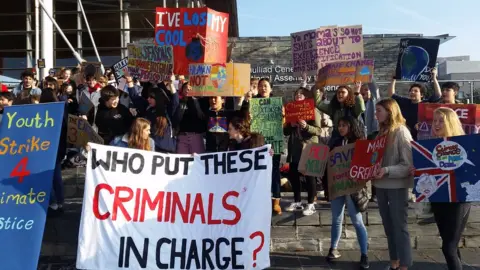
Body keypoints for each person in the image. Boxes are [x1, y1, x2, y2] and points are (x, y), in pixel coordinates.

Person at [412, 107, 470, 270]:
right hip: (439, 199)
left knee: (448, 248)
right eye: (434, 120)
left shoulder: (464, 144)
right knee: (451, 245)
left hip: (459, 200)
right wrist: (416, 170)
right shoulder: (428, 146)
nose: (436, 124)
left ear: (450, 122)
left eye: (441, 120)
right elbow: (427, 175)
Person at [372, 98, 413, 270]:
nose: (376, 114)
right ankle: (394, 261)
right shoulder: (380, 132)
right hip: (380, 186)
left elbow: (407, 164)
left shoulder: (401, 132)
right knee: (388, 227)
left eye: (379, 110)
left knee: (399, 226)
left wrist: (387, 170)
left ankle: (405, 264)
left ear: (390, 111)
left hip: (397, 186)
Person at [326, 115, 369, 269]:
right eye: (339, 125)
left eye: (344, 125)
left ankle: (364, 254)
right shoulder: (335, 142)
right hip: (338, 186)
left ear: (351, 126)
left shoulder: (359, 143)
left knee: (357, 221)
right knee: (336, 219)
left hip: (353, 188)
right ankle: (333, 248)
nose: (341, 128)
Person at [283, 87, 323, 216]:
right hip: (295, 148)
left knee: (310, 176)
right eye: (296, 94)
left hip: (309, 147)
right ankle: (297, 201)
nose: (298, 96)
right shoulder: (291, 111)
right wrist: (290, 125)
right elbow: (285, 132)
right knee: (294, 175)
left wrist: (306, 126)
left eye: (301, 94)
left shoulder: (313, 110)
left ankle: (311, 203)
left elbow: (318, 130)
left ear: (307, 97)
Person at [388, 68, 441, 140]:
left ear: (421, 95)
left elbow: (438, 95)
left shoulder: (426, 103)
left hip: (422, 136)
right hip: (406, 136)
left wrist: (434, 78)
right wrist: (393, 79)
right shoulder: (405, 102)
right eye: (411, 91)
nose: (412, 92)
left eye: (416, 91)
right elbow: (392, 94)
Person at [40, 88, 68, 217]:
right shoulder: (60, 111)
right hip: (57, 147)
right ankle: (60, 202)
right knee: (56, 176)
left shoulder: (40, 112)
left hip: (44, 147)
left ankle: (53, 202)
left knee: (47, 177)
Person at [174, 81, 208, 154]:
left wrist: (195, 99)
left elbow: (203, 116)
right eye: (185, 87)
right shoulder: (178, 102)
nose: (188, 89)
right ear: (182, 90)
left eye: (190, 87)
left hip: (196, 137)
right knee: (182, 161)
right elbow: (176, 118)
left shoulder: (200, 102)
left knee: (198, 161)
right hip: (182, 137)